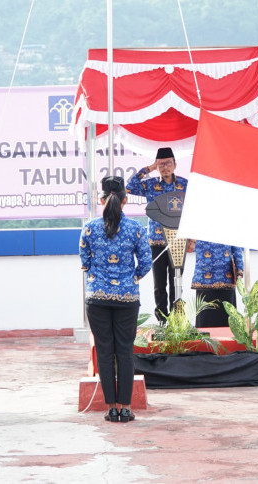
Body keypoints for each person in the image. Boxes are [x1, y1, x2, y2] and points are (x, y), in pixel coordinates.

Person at [80, 176, 152, 423]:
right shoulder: (136, 228)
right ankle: (126, 407)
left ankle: (111, 407)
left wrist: (99, 278)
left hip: (97, 298)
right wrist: (129, 280)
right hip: (127, 298)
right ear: (125, 200)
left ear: (101, 199)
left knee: (104, 351)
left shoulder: (89, 227)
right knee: (125, 351)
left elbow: (85, 262)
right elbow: (145, 264)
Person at [126, 147, 188, 323]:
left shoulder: (184, 184)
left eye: (168, 163)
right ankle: (162, 319)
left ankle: (177, 320)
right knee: (159, 284)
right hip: (157, 241)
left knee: (176, 280)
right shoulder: (151, 184)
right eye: (161, 164)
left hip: (178, 240)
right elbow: (129, 187)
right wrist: (149, 168)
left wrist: (191, 239)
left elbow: (193, 211)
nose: (165, 167)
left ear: (175, 164)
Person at [187, 239, 244, 327]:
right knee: (205, 323)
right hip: (204, 279)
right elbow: (190, 246)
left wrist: (239, 270)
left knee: (227, 320)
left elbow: (237, 245)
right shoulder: (197, 226)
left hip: (226, 278)